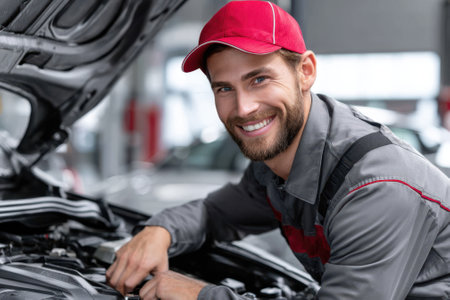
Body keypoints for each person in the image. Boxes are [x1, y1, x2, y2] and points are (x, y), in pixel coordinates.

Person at [106, 1, 450, 299]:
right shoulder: (277, 165)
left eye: (259, 79)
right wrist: (160, 231)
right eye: (224, 88)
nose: (243, 108)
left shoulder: (376, 187)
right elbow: (216, 214)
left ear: (306, 71)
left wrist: (201, 295)